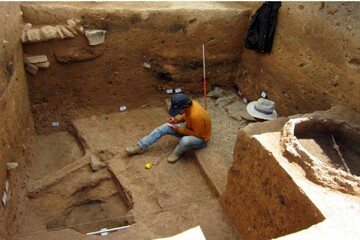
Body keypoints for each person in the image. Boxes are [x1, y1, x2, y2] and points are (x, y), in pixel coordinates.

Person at [125, 93, 211, 163]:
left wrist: (178, 129)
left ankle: (177, 153)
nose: (176, 112)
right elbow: (186, 116)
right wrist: (176, 120)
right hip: (190, 128)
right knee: (165, 126)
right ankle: (141, 147)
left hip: (201, 138)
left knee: (185, 140)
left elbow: (197, 134)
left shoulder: (196, 115)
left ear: (184, 107)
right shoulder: (190, 106)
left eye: (178, 111)